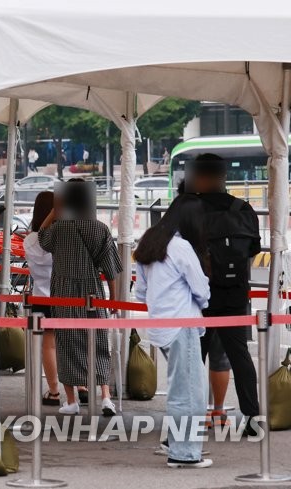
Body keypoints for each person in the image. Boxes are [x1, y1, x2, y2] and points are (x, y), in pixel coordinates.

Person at [134, 195, 213, 469]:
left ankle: (176, 444)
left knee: (182, 389)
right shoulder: (180, 247)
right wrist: (203, 302)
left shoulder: (150, 241)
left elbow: (140, 290)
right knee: (190, 393)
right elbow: (201, 288)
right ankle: (185, 453)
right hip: (183, 325)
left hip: (160, 325)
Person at [184, 153, 261, 431]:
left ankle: (188, 422)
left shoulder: (189, 208)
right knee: (239, 356)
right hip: (235, 294)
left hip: (198, 295)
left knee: (194, 358)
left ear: (199, 177)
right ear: (223, 176)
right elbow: (254, 249)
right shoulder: (244, 208)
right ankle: (253, 419)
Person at [38, 179, 121, 416]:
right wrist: (112, 299)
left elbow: (41, 237)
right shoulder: (100, 228)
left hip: (63, 293)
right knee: (98, 342)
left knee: (66, 343)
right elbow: (111, 270)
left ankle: (72, 400)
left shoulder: (59, 228)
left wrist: (55, 212)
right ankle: (105, 397)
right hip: (93, 292)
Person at [23, 191, 61, 406]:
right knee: (73, 343)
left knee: (49, 347)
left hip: (41, 298)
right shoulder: (64, 237)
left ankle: (54, 391)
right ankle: (81, 386)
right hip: (67, 297)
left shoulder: (30, 240)